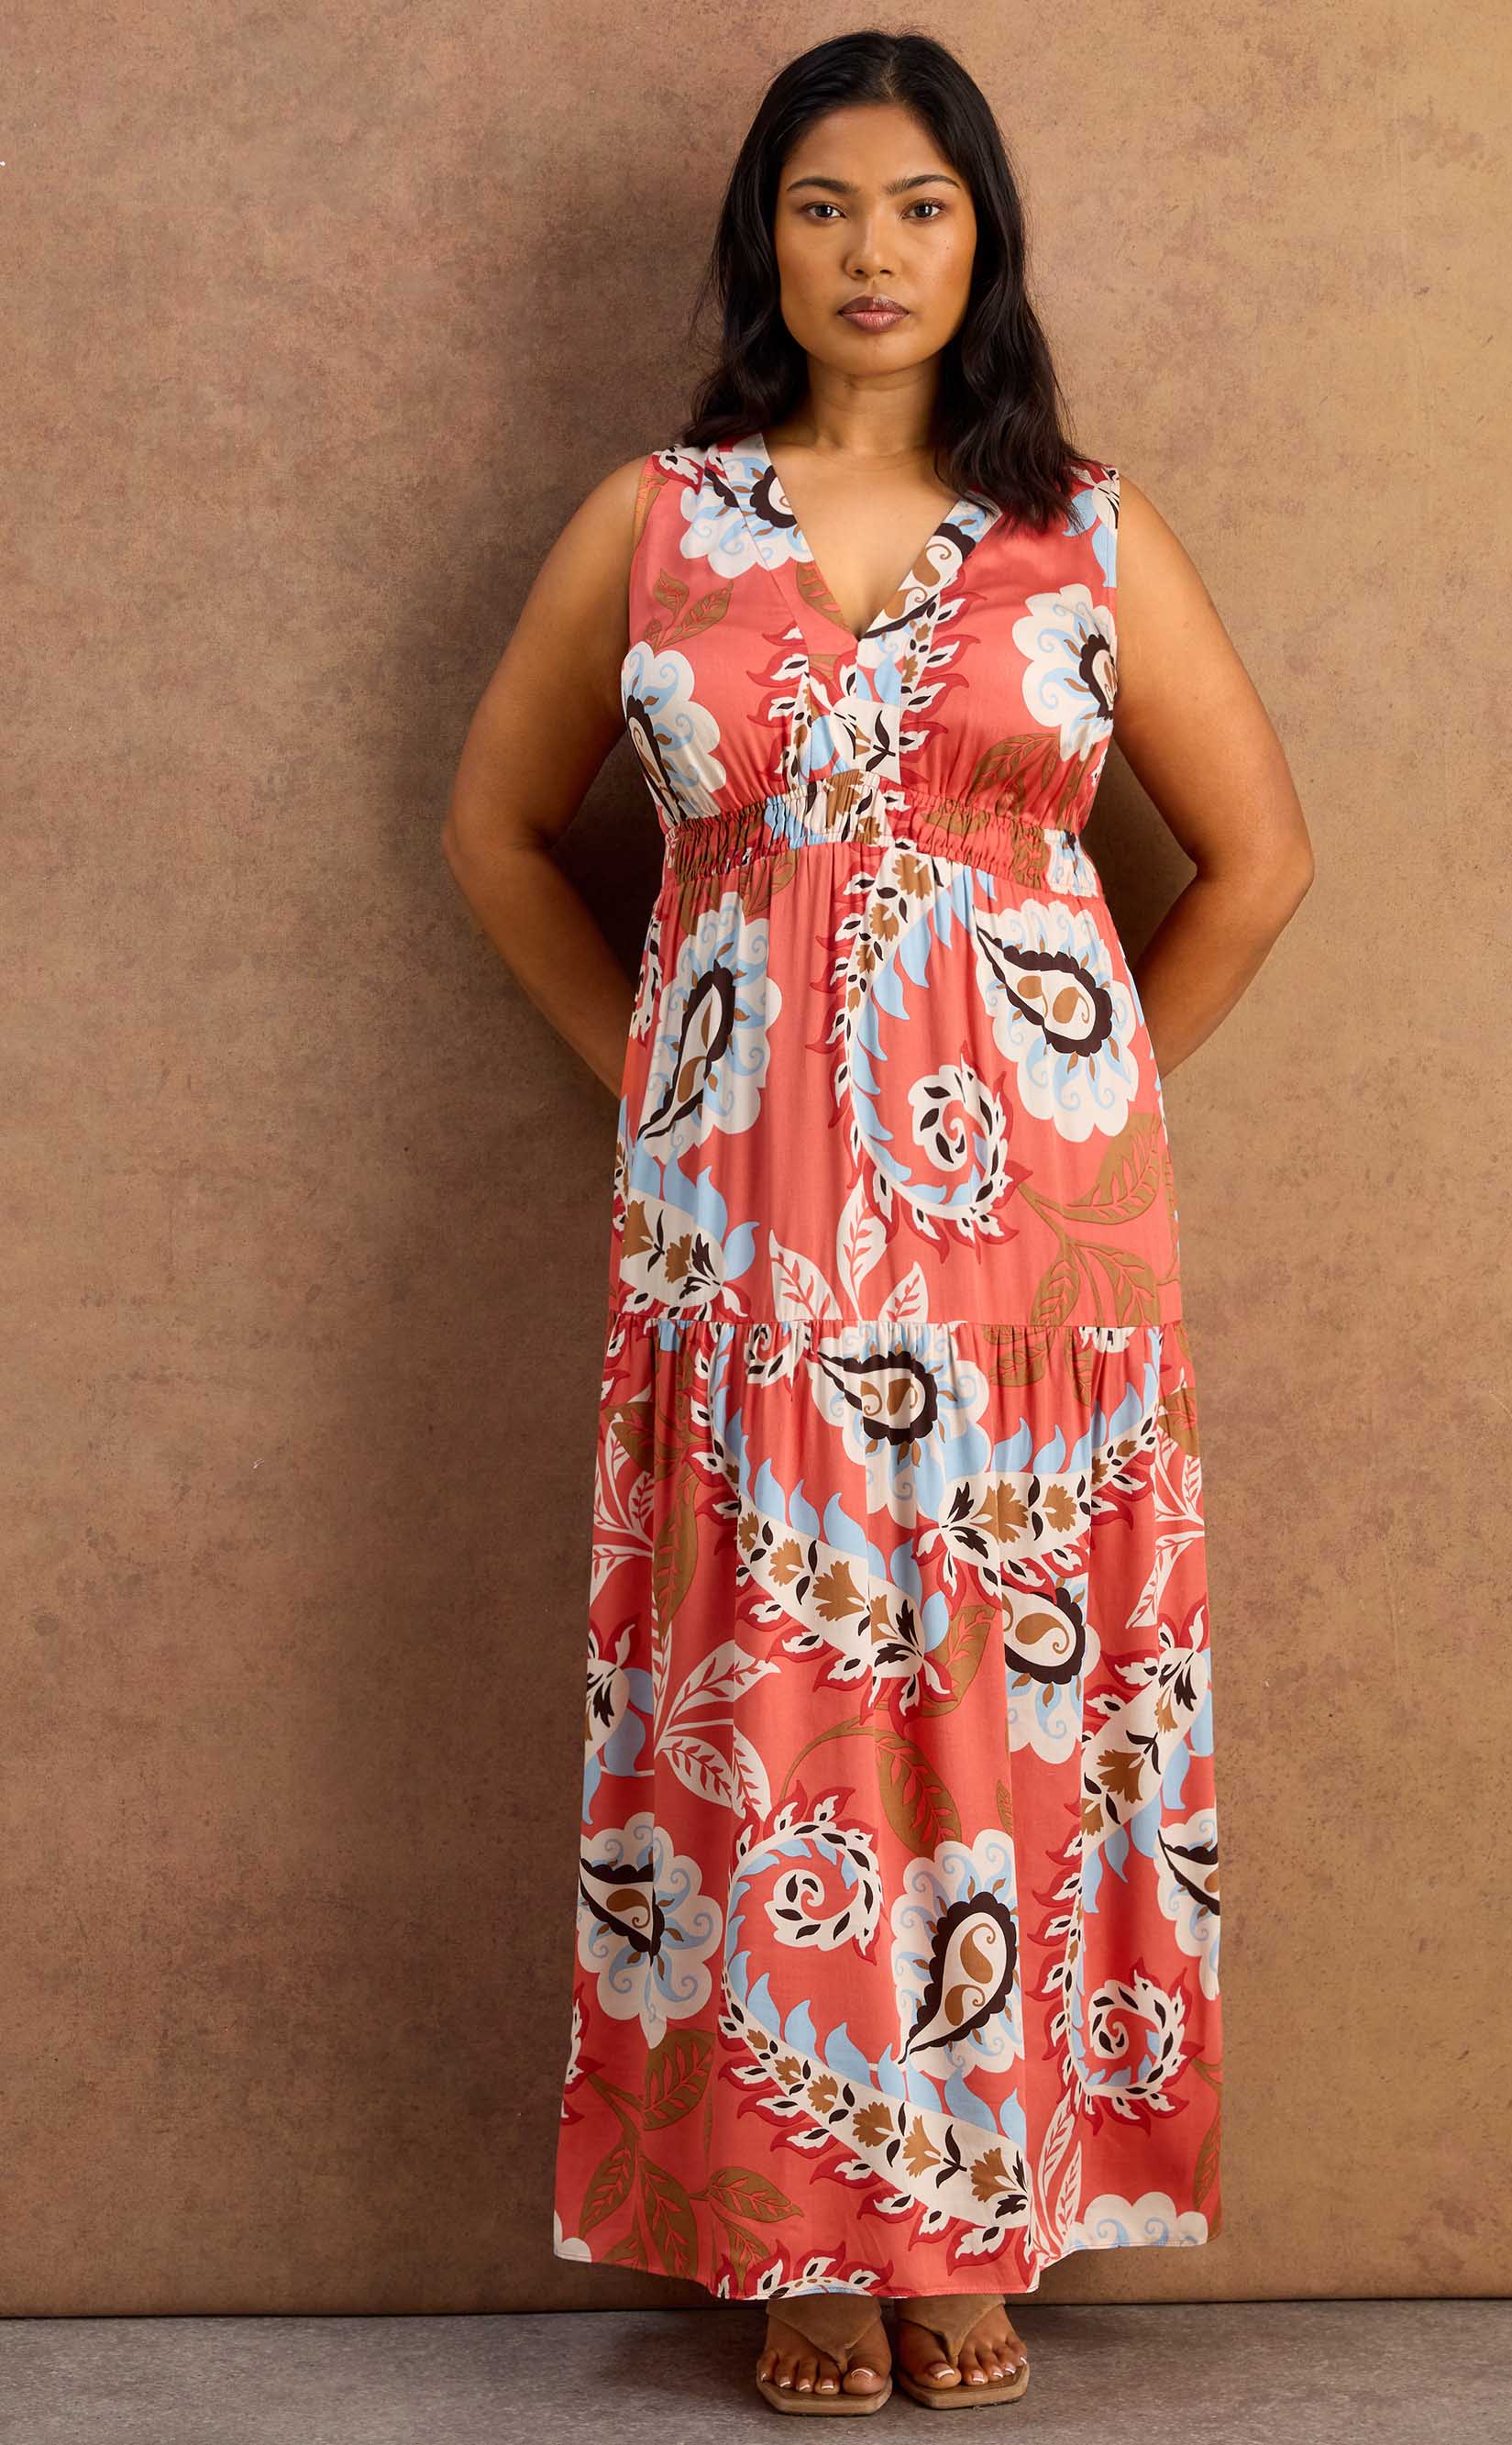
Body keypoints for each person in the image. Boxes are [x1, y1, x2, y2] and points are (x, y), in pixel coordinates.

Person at [444, 27, 1312, 2419]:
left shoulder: (1090, 535)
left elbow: (1259, 864)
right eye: (828, 204)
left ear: (982, 242)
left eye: (921, 206)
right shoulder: (660, 524)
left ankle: (973, 2219)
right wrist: (663, 1079)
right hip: (744, 1239)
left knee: (1008, 1703)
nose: (873, 250)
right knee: (784, 1715)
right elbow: (495, 833)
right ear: (765, 238)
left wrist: (1091, 1126)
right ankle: (795, 2231)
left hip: (1041, 1263)